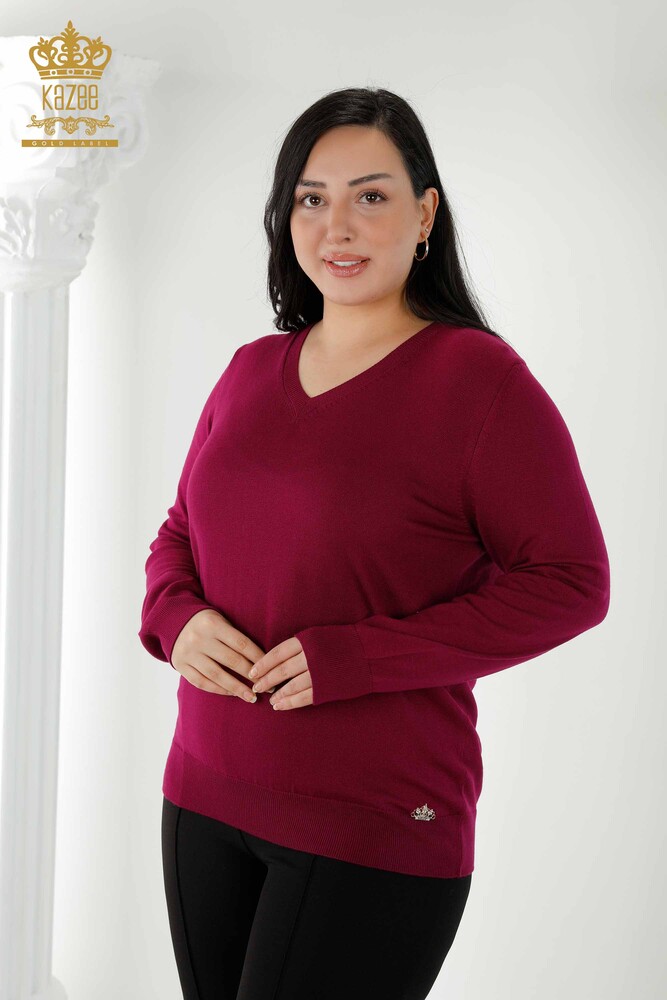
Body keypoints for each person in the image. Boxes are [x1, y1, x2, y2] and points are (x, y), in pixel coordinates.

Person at [139, 86, 611, 1000]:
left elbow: (570, 582)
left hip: (374, 819)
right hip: (201, 793)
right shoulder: (250, 370)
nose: (337, 226)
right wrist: (174, 620)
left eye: (370, 195)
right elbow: (180, 532)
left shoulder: (479, 382)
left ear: (424, 213)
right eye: (311, 198)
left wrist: (358, 657)